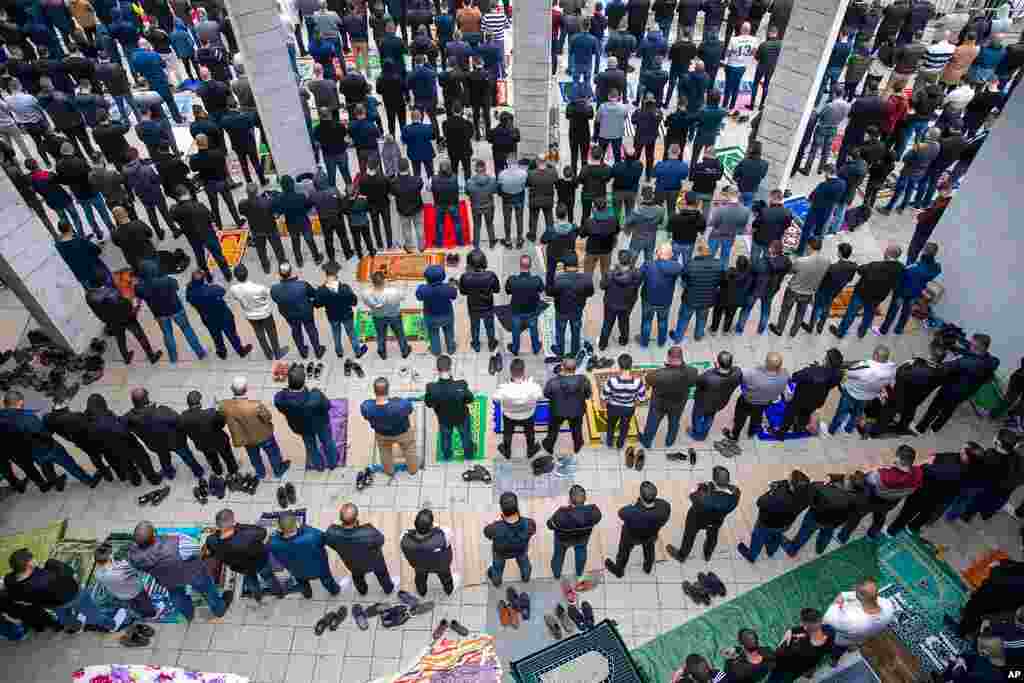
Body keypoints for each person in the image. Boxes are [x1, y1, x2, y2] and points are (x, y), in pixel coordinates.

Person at [129, 521, 233, 622]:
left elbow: (138, 568)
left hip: (167, 580)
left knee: (178, 597)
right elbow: (197, 549)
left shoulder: (133, 556)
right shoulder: (177, 544)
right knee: (208, 591)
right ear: (154, 535)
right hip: (193, 573)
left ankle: (189, 614)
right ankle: (219, 609)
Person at [918, 333, 1000, 434]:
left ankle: (921, 428)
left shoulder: (966, 362)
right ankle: (935, 428)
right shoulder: (990, 361)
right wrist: (955, 347)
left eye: (973, 345)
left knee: (934, 407)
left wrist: (936, 357)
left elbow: (943, 367)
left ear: (981, 347)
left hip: (950, 389)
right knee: (948, 410)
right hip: (965, 392)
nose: (970, 346)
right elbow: (971, 353)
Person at [134, 261, 207, 363]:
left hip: (160, 314)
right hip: (176, 309)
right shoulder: (167, 280)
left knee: (167, 334)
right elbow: (176, 286)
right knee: (187, 329)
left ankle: (173, 358)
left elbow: (139, 297)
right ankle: (200, 353)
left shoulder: (139, 287)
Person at [204, 509, 283, 603]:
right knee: (269, 578)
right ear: (231, 521)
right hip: (260, 561)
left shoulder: (211, 540)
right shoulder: (246, 534)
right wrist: (239, 526)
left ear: (217, 524)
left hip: (241, 568)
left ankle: (258, 598)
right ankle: (279, 593)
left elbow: (211, 553)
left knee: (252, 582)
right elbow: (263, 532)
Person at [220, 376, 290, 479]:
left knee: (254, 457)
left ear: (232, 389)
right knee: (273, 454)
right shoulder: (256, 405)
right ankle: (278, 470)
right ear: (246, 389)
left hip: (247, 439)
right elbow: (268, 417)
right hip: (264, 436)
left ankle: (261, 473)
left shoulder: (225, 406)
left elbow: (221, 414)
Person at [666, 465, 741, 563]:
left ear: (714, 480)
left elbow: (691, 496)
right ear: (728, 480)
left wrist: (702, 487)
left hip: (696, 519)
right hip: (716, 522)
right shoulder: (735, 493)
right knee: (712, 538)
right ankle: (707, 554)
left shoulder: (703, 495)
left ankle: (682, 555)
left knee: (689, 536)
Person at [871, 341, 947, 436]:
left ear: (931, 355)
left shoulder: (916, 367)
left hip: (900, 396)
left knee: (888, 412)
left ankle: (876, 430)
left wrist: (907, 364)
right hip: (917, 399)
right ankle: (901, 428)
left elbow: (899, 375)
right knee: (908, 413)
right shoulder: (941, 372)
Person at [831, 245, 905, 339]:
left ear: (887, 253)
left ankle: (840, 332)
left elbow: (860, 270)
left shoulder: (874, 265)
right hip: (877, 298)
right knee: (868, 315)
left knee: (850, 313)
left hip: (861, 294)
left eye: (885, 250)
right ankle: (861, 333)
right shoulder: (901, 268)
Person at [274, 364, 339, 471]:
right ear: (304, 382)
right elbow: (327, 406)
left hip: (301, 427)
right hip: (320, 424)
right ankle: (333, 462)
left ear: (289, 382)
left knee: (311, 447)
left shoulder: (280, 399)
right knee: (327, 442)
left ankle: (319, 466)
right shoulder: (316, 395)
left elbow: (281, 406)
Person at [738, 470, 810, 563]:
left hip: (766, 523)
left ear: (792, 486)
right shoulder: (806, 495)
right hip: (785, 525)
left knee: (757, 538)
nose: (787, 477)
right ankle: (770, 552)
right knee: (776, 536)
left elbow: (760, 502)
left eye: (790, 478)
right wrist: (781, 485)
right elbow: (787, 485)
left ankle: (751, 556)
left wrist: (771, 491)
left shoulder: (779, 497)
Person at [720, 352, 789, 448]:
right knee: (757, 417)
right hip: (764, 403)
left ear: (766, 362)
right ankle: (751, 433)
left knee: (740, 419)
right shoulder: (785, 375)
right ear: (780, 365)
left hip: (747, 401)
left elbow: (738, 374)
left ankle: (734, 436)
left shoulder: (752, 373)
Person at [324, 503, 395, 596]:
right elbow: (381, 540)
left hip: (352, 564)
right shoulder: (369, 531)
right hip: (375, 562)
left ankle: (362, 591)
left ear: (340, 518)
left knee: (357, 576)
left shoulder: (331, 533)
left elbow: (330, 543)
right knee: (382, 574)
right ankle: (388, 589)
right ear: (356, 518)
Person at [604, 480, 671, 577]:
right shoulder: (665, 507)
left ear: (641, 497)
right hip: (651, 536)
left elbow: (621, 512)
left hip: (631, 537)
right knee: (649, 550)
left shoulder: (632, 512)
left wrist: (633, 504)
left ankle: (619, 570)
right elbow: (661, 508)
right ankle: (647, 568)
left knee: (624, 552)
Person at [267, 511, 340, 599]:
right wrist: (304, 528)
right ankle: (334, 590)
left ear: (279, 528)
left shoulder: (273, 543)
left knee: (302, 583)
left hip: (297, 571)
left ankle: (307, 594)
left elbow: (273, 554)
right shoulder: (311, 535)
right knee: (327, 579)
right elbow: (324, 539)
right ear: (296, 523)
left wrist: (276, 535)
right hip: (319, 567)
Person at [640, 345, 698, 450]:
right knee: (674, 423)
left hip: (659, 405)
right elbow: (693, 383)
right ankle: (670, 442)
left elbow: (648, 379)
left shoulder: (659, 374)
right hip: (678, 404)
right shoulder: (693, 371)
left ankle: (646, 442)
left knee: (652, 424)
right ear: (682, 357)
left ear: (669, 358)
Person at [168, 187, 233, 283]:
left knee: (200, 257)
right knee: (218, 254)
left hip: (193, 237)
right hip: (207, 234)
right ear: (188, 193)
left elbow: (173, 218)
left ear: (177, 197)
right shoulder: (199, 205)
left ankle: (207, 276)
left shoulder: (175, 210)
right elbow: (211, 218)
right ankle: (227, 274)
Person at [830, 345, 897, 435]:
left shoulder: (866, 368)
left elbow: (848, 372)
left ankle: (832, 430)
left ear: (876, 355)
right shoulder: (892, 369)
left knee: (842, 412)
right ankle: (848, 430)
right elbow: (891, 382)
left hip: (852, 393)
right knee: (857, 414)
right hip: (867, 396)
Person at [774, 349, 843, 438]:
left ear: (827, 361)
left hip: (800, 399)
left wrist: (815, 369)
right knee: (805, 414)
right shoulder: (838, 375)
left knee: (790, 413)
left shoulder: (810, 371)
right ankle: (799, 428)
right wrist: (819, 368)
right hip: (817, 401)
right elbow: (829, 380)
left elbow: (795, 377)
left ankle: (781, 432)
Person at [823, 579, 896, 662]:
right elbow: (867, 597)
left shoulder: (850, 621)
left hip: (844, 639)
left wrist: (839, 601)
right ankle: (852, 647)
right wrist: (848, 595)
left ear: (860, 597)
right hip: (863, 636)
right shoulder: (888, 605)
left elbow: (827, 618)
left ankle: (833, 660)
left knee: (838, 648)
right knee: (854, 641)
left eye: (855, 591)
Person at [770, 237, 829, 337]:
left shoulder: (801, 261)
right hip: (809, 292)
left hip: (793, 290)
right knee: (800, 314)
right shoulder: (827, 261)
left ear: (809, 247)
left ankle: (779, 329)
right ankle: (793, 332)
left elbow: (791, 271)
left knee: (785, 311)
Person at [185, 271, 252, 359]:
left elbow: (189, 299)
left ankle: (222, 353)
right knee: (232, 334)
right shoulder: (212, 289)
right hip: (223, 315)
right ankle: (240, 351)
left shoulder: (190, 293)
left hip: (208, 318)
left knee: (216, 336)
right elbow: (222, 291)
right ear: (203, 280)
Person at [877, 242, 940, 335]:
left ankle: (883, 330)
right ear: (935, 253)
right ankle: (898, 330)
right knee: (906, 312)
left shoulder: (914, 267)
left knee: (893, 311)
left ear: (924, 251)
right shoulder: (936, 267)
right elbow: (931, 274)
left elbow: (902, 276)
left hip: (901, 292)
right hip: (915, 292)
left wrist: (895, 288)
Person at [227, 264, 288, 360]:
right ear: (247, 273)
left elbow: (235, 298)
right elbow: (269, 294)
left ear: (235, 276)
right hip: (265, 314)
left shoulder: (233, 289)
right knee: (272, 333)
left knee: (259, 334)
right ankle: (277, 353)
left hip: (250, 315)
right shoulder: (259, 288)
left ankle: (268, 354)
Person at [361, 377, 418, 476]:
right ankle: (413, 470)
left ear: (374, 391)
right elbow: (409, 409)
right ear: (388, 390)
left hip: (382, 435)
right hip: (403, 433)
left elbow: (366, 412)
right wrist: (397, 400)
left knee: (385, 452)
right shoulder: (401, 405)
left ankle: (389, 471)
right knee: (409, 450)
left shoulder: (366, 407)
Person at [270, 262, 326, 360]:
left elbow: (275, 299)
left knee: (296, 330)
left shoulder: (274, 289)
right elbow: (314, 294)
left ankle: (303, 352)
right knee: (311, 329)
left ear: (279, 274)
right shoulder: (303, 285)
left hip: (289, 314)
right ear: (290, 272)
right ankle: (318, 351)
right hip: (305, 313)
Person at [425, 355, 476, 461]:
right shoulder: (461, 384)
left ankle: (447, 455)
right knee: (466, 437)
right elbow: (470, 399)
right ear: (450, 367)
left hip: (444, 419)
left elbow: (429, 404)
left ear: (437, 369)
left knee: (445, 438)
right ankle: (469, 454)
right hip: (461, 417)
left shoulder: (431, 387)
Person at [92, 543, 158, 624]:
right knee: (146, 606)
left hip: (122, 596)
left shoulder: (98, 574)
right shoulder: (123, 567)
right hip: (136, 591)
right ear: (110, 557)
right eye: (111, 553)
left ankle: (138, 615)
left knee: (133, 606)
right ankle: (152, 615)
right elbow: (139, 568)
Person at [768, 608, 836, 683]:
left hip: (791, 669)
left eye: (804, 623)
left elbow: (779, 653)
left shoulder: (799, 642)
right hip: (789, 668)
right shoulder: (829, 631)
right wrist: (790, 631)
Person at [484, 492, 537, 587]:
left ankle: (496, 580)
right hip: (520, 550)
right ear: (517, 506)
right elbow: (532, 531)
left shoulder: (494, 528)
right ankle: (526, 578)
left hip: (500, 553)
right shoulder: (530, 524)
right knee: (526, 566)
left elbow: (486, 533)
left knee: (497, 570)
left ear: (501, 509)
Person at [495, 358, 544, 460]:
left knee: (507, 433)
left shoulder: (504, 388)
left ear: (510, 371)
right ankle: (530, 450)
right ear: (523, 371)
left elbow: (496, 399)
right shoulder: (533, 387)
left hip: (509, 416)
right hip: (528, 415)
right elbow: (540, 397)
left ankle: (507, 452)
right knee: (530, 433)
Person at [803, 242, 857, 335]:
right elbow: (849, 279)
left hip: (823, 291)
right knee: (826, 308)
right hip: (836, 291)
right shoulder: (853, 266)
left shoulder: (833, 267)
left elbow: (823, 280)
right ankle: (820, 326)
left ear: (840, 253)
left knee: (817, 308)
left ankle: (810, 326)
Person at [547, 253, 595, 358]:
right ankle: (574, 351)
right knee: (576, 331)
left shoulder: (558, 279)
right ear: (577, 265)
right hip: (577, 310)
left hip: (561, 311)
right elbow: (590, 293)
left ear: (565, 266)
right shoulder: (586, 279)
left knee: (560, 331)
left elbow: (550, 293)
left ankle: (560, 350)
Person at [542, 359, 592, 456]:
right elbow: (588, 395)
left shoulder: (553, 382)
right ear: (575, 368)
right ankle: (577, 445)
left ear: (562, 367)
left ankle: (549, 446)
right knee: (577, 430)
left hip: (557, 411)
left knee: (553, 431)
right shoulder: (583, 380)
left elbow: (546, 394)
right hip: (576, 411)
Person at [401, 509, 455, 596]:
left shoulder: (404, 540)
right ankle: (449, 590)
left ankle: (422, 592)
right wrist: (436, 526)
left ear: (415, 525)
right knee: (446, 578)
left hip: (419, 566)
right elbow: (447, 531)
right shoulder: (443, 537)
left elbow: (406, 533)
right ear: (431, 526)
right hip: (441, 565)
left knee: (420, 579)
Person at [601, 354, 647, 451]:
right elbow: (642, 399)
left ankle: (609, 442)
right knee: (624, 426)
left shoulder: (611, 381)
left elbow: (604, 397)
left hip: (613, 407)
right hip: (628, 409)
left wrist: (606, 403)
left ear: (619, 365)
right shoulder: (638, 382)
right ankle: (620, 444)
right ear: (631, 365)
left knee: (611, 425)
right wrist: (632, 404)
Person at [362, 270, 412, 359]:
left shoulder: (366, 294)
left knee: (380, 335)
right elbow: (403, 296)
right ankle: (405, 351)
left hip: (378, 317)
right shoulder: (394, 292)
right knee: (400, 334)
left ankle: (382, 352)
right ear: (384, 280)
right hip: (394, 316)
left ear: (372, 282)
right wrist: (404, 285)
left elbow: (367, 302)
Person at [599, 251, 643, 349]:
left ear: (619, 259)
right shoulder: (636, 274)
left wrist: (611, 273)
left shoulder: (610, 273)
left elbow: (602, 286)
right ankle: (624, 340)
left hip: (610, 304)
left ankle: (602, 344)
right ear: (630, 260)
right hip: (626, 305)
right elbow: (637, 285)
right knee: (624, 323)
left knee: (607, 324)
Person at [505, 254, 546, 356]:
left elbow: (508, 291)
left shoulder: (512, 279)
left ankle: (515, 348)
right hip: (532, 310)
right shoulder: (536, 280)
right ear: (530, 265)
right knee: (533, 329)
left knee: (515, 329)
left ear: (520, 265)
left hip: (516, 310)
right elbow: (541, 290)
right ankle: (536, 347)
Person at [417, 264, 459, 355]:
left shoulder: (423, 289)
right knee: (449, 333)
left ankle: (436, 350)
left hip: (431, 317)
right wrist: (452, 286)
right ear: (443, 276)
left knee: (433, 335)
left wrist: (421, 286)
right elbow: (454, 295)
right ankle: (451, 349)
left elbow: (418, 296)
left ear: (427, 278)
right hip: (447, 316)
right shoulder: (448, 288)